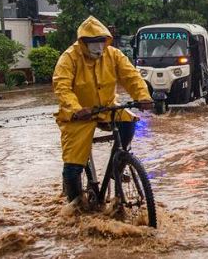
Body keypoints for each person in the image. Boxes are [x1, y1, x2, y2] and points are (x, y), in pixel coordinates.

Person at [52, 16, 153, 204]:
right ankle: (75, 206)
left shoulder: (113, 55)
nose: (98, 47)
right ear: (83, 43)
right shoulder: (69, 58)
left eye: (101, 42)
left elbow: (131, 77)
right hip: (78, 115)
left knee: (129, 121)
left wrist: (143, 97)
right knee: (73, 165)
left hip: (108, 108)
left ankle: (119, 164)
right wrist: (76, 108)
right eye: (93, 43)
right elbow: (62, 87)